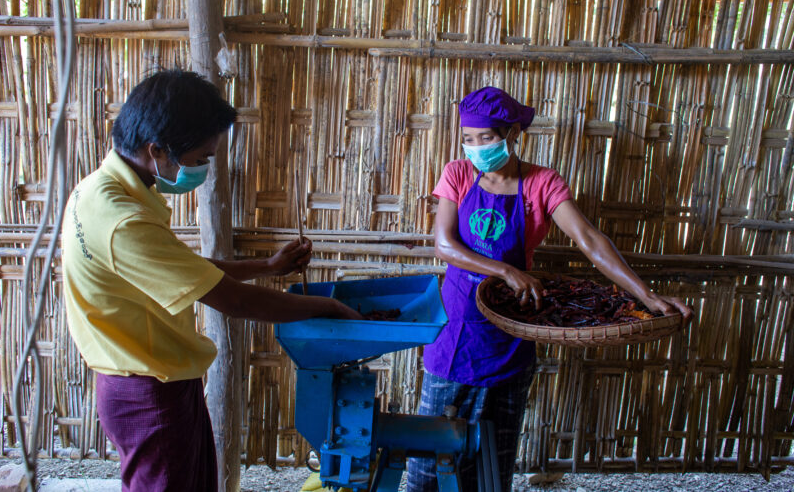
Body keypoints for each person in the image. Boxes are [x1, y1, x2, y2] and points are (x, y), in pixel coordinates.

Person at [61, 70, 360, 492]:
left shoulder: (101, 190)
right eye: (200, 158)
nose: (202, 168)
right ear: (158, 150)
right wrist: (328, 306)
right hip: (148, 392)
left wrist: (267, 267)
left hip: (157, 378)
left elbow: (186, 270)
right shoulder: (122, 221)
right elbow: (236, 302)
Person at [405, 86, 693, 492]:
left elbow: (590, 241)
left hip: (510, 332)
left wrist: (646, 296)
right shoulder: (457, 174)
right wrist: (507, 271)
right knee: (428, 465)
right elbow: (445, 245)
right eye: (467, 138)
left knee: (493, 462)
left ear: (511, 134)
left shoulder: (542, 183)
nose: (474, 148)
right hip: (456, 329)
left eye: (485, 138)